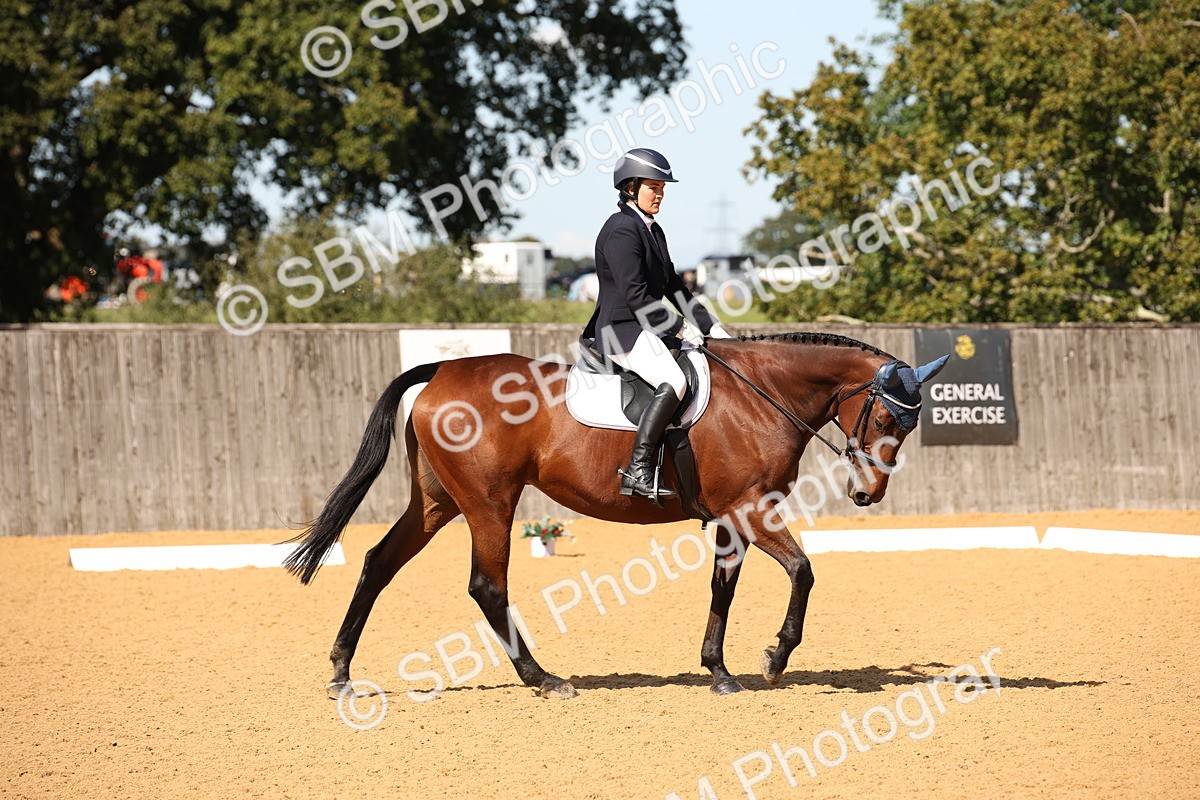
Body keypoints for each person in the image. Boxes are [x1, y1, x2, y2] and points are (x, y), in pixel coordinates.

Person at [580, 147, 732, 500]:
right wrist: (679, 328)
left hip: (645, 328)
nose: (660, 194)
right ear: (630, 187)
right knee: (674, 379)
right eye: (653, 187)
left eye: (663, 188)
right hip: (620, 330)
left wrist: (713, 328)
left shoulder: (652, 230)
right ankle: (639, 469)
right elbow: (636, 297)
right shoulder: (621, 230)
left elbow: (675, 287)